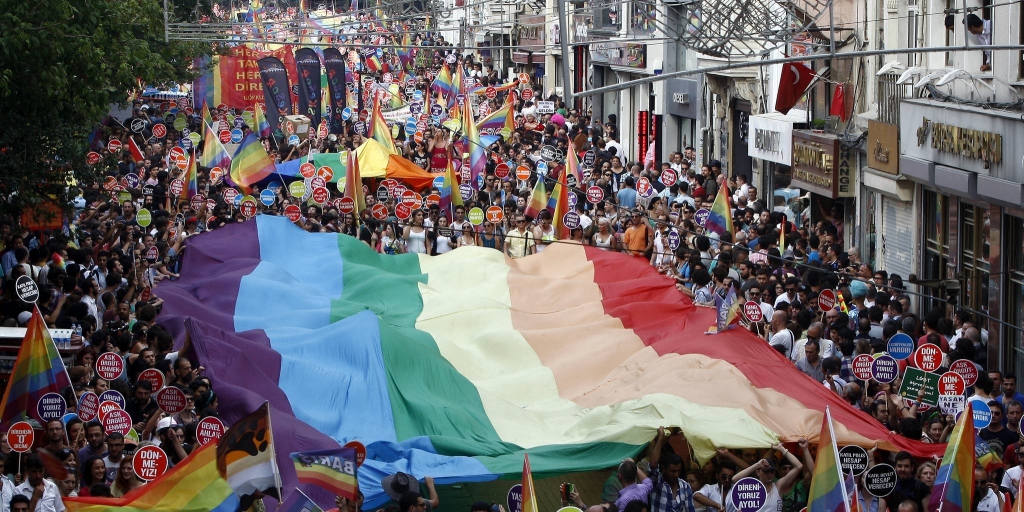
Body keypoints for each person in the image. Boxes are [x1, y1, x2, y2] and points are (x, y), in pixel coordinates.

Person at [648, 428, 696, 512]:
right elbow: (653, 465)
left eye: (678, 471)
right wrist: (660, 439)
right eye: (673, 471)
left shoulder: (685, 486)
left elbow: (690, 510)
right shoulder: (656, 482)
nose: (676, 474)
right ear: (664, 468)